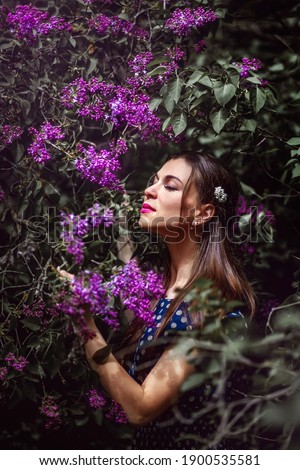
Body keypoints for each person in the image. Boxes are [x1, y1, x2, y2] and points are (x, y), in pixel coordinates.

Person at [61, 151, 256, 449]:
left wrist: (83, 321)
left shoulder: (213, 311)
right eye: (155, 181)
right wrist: (123, 250)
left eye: (170, 185)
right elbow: (145, 334)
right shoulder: (170, 290)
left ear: (203, 213)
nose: (149, 190)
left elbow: (141, 408)